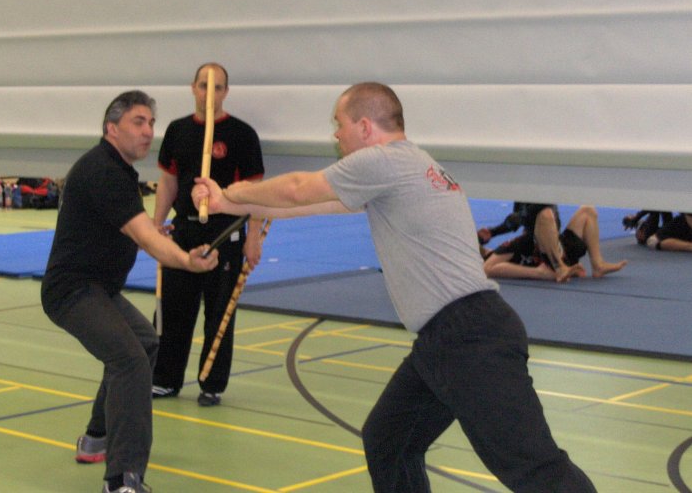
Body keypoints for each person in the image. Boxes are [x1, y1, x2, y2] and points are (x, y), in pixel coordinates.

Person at [193, 82, 597, 492]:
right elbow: (309, 204)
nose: (337, 135)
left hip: (467, 336)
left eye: (340, 124)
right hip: (446, 338)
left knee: (533, 468)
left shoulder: (382, 161)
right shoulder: (406, 164)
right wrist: (228, 202)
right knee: (389, 442)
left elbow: (298, 189)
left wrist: (231, 191)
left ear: (365, 127)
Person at [41, 90, 218, 493]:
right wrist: (186, 260)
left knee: (145, 342)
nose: (148, 131)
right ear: (111, 128)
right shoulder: (103, 170)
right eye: (138, 122)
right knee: (130, 361)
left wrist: (151, 234)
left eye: (151, 123)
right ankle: (122, 479)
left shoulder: (119, 171)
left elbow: (126, 230)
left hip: (98, 289)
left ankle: (96, 438)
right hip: (72, 291)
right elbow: (145, 238)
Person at [151, 62, 265, 407]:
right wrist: (156, 225)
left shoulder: (242, 134)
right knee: (173, 309)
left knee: (219, 314)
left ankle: (212, 383)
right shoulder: (178, 130)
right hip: (184, 230)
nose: (210, 93)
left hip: (225, 232)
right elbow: (168, 182)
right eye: (204, 85)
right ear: (193, 88)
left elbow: (256, 192)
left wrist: (253, 238)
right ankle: (165, 379)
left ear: (225, 92)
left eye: (217, 87)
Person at [483, 203, 627, 282]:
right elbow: (487, 269)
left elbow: (516, 219)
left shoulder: (520, 240)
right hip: (546, 256)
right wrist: (537, 273)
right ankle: (560, 268)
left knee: (588, 210)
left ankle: (598, 265)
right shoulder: (518, 244)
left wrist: (493, 232)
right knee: (545, 214)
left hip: (558, 245)